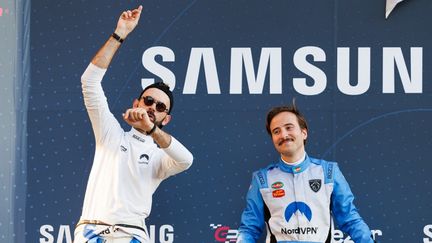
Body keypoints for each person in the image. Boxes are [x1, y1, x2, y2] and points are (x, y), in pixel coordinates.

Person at [74, 5, 193, 243]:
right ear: (137, 102)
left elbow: (186, 160)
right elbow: (89, 81)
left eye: (160, 107)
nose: (152, 108)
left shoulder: (160, 158)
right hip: (90, 232)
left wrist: (150, 129)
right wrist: (120, 33)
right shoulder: (110, 133)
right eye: (149, 101)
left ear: (165, 119)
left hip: (132, 235)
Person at [237, 104, 374, 243]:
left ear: (304, 133)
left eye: (289, 127)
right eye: (276, 131)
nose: (283, 135)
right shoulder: (262, 179)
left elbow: (350, 220)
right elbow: (249, 229)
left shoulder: (329, 172)